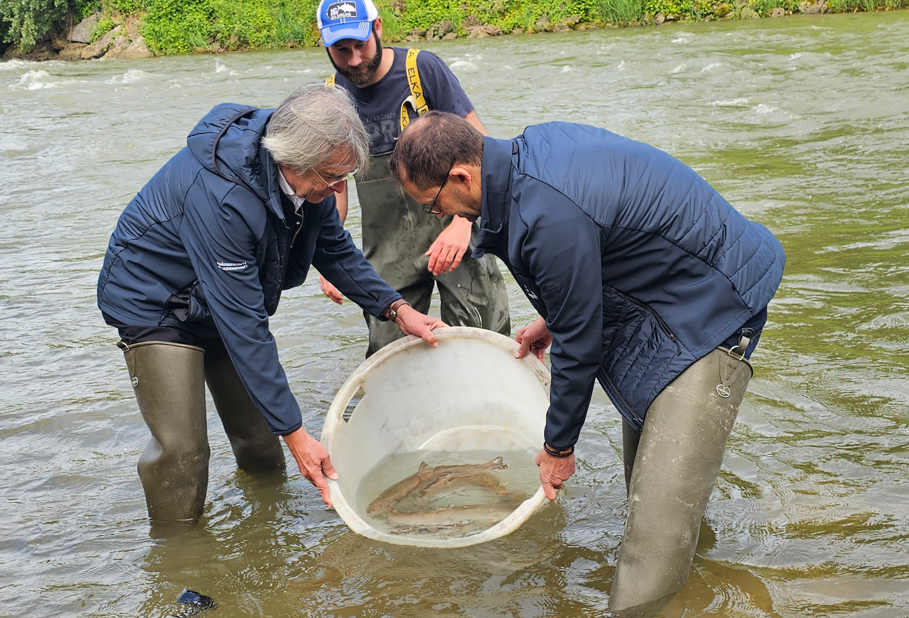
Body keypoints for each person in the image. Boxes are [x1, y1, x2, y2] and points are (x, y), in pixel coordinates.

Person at [390, 111, 786, 613]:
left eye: (434, 205)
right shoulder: (529, 154)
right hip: (668, 301)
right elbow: (609, 242)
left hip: (715, 310)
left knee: (648, 558)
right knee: (650, 496)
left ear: (461, 176)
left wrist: (558, 447)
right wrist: (552, 319)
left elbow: (582, 342)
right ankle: (703, 583)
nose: (440, 217)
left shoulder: (547, 209)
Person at [96, 84, 445, 523]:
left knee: (262, 439)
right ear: (291, 160)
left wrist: (399, 310)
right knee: (185, 452)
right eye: (330, 178)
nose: (338, 188)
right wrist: (299, 436)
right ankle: (179, 563)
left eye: (344, 177)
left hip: (217, 297)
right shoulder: (225, 196)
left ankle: (268, 534)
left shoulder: (307, 167)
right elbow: (245, 328)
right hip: (154, 300)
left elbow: (334, 250)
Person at [314, 0, 510, 357]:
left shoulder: (421, 69)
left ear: (377, 29)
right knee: (389, 352)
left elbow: (483, 153)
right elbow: (333, 186)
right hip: (387, 248)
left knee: (480, 341)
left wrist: (463, 223)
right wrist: (330, 256)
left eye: (360, 46)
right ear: (326, 45)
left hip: (456, 234)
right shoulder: (331, 98)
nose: (354, 60)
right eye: (342, 50)